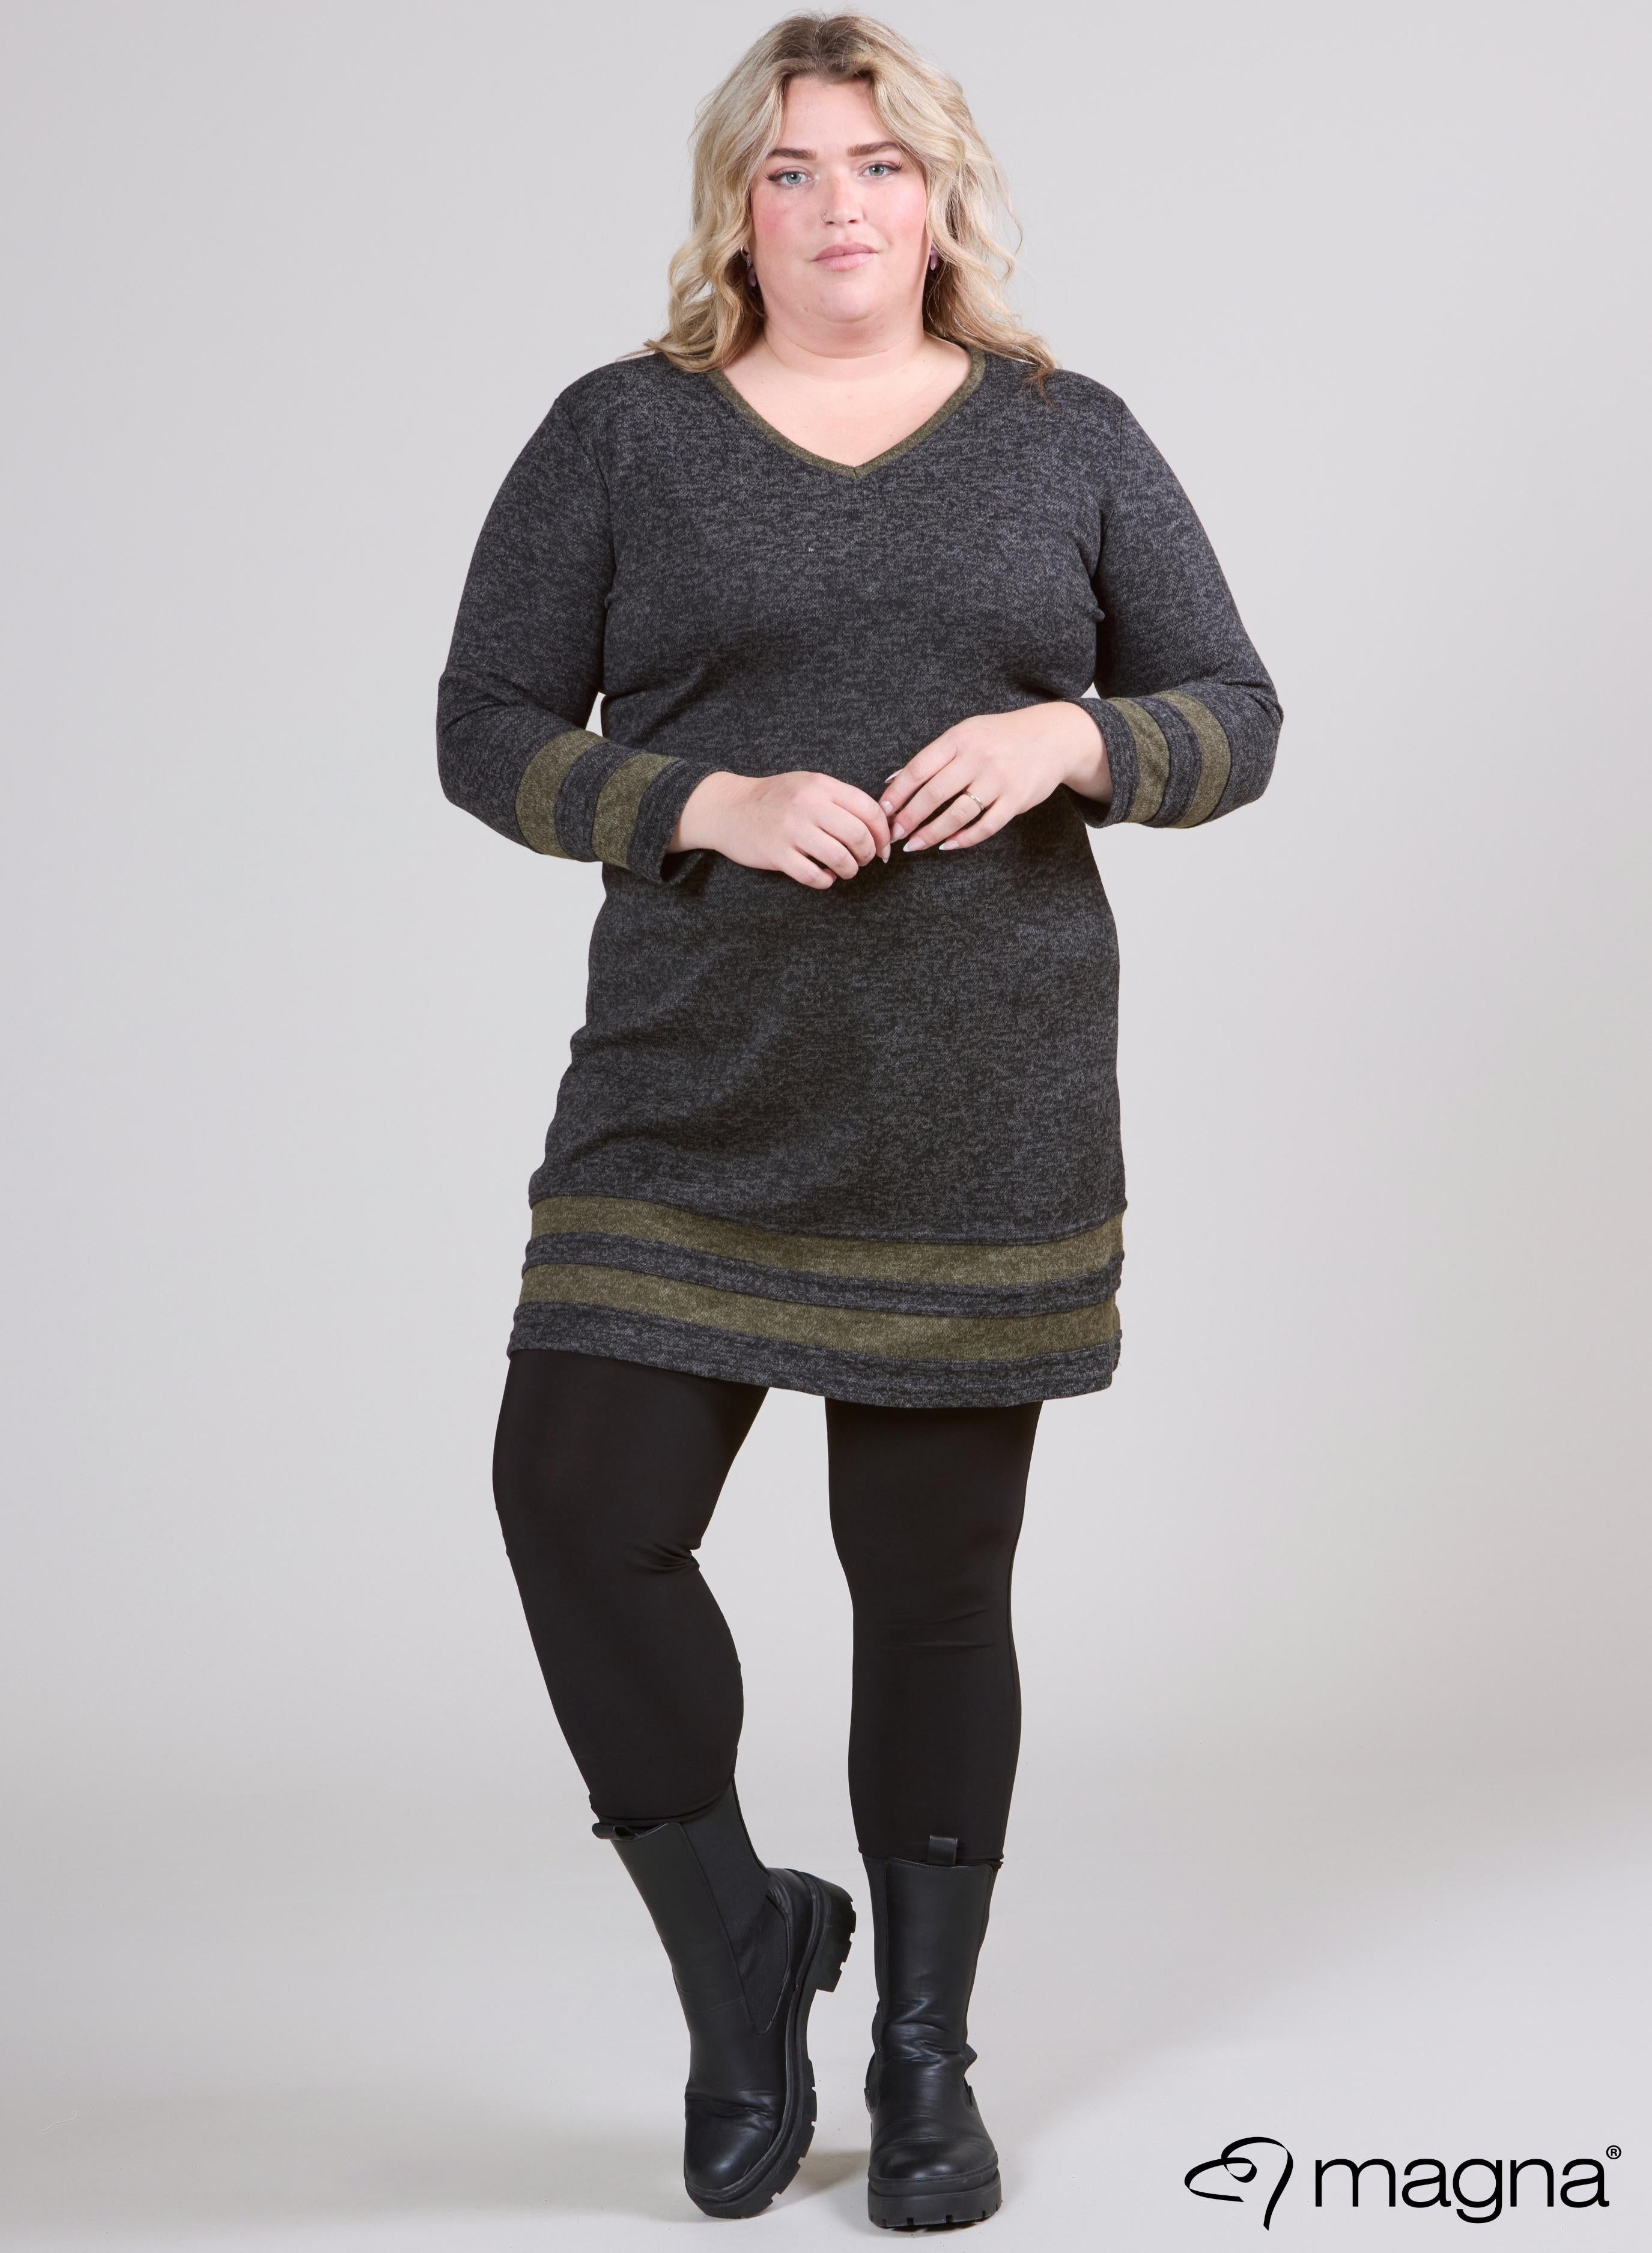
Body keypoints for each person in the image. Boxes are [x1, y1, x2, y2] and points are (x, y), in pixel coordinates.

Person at [437, 10, 1279, 2230]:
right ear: (739, 203)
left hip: (978, 1096)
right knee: (576, 1510)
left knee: (928, 1590)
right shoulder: (622, 434)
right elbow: (483, 724)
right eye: (794, 167)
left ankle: (921, 2056)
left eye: (879, 165)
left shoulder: (1067, 435)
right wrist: (693, 799)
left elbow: (1237, 712)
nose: (838, 206)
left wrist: (1076, 743)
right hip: (692, 1084)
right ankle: (741, 1957)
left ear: (940, 197)